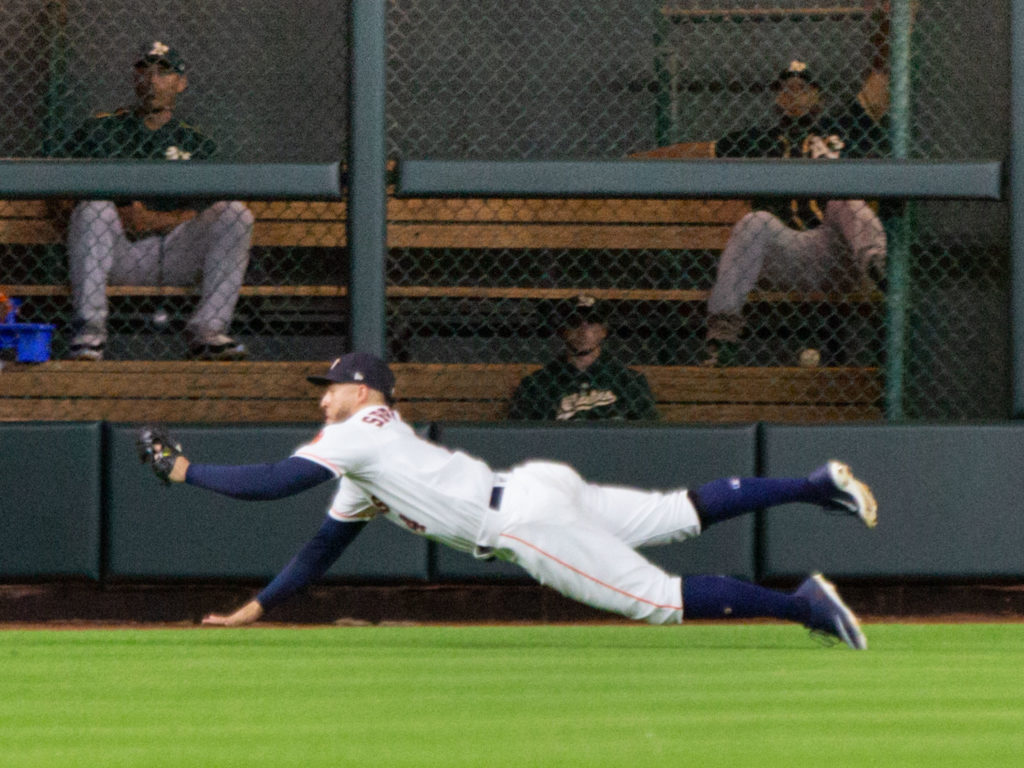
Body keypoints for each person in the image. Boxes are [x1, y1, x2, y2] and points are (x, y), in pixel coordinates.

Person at [139, 351, 879, 649]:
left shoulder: (356, 432)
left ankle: (804, 606)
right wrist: (253, 610)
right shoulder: (369, 456)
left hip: (522, 521)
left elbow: (277, 482)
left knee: (656, 599)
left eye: (330, 384)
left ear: (363, 391)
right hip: (532, 486)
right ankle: (814, 488)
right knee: (674, 514)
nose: (323, 395)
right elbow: (321, 548)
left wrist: (183, 472)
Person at [61, 41, 253, 361]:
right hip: (115, 253)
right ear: (134, 79)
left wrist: (156, 219)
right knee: (93, 209)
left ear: (181, 83)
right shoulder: (101, 129)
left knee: (236, 214)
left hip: (177, 254)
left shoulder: (196, 142)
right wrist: (114, 213)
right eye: (144, 71)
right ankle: (89, 332)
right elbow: (58, 194)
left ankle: (209, 329)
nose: (152, 80)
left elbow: (209, 210)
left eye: (163, 72)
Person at [702, 59, 888, 367]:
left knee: (845, 201)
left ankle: (877, 266)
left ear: (818, 96)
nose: (793, 95)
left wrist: (892, 29)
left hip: (835, 253)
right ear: (777, 99)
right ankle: (722, 336)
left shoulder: (843, 128)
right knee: (755, 221)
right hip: (783, 256)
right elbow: (696, 153)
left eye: (802, 89)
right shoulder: (757, 141)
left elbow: (878, 92)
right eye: (785, 89)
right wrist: (634, 160)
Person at [509, 296, 659, 421]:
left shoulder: (628, 381)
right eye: (575, 321)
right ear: (563, 330)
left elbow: (648, 433)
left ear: (604, 330)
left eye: (592, 321)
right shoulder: (537, 384)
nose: (584, 328)